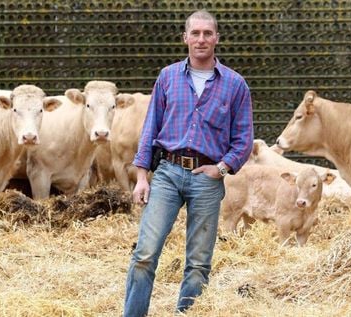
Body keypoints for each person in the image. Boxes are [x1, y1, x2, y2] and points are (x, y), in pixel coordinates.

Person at [123, 9, 254, 316]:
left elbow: (243, 140)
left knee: (198, 263)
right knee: (144, 254)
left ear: (217, 39)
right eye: (195, 33)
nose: (201, 39)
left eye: (208, 33)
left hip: (207, 179)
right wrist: (142, 177)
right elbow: (150, 128)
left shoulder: (235, 85)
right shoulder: (167, 77)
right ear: (185, 38)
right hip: (167, 172)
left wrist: (221, 169)